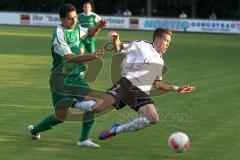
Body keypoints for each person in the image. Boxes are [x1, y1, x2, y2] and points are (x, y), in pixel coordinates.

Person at [74, 28, 196, 141]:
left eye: (169, 41)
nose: (168, 44)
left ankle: (115, 130)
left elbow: (157, 83)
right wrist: (116, 38)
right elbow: (120, 47)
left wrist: (177, 88)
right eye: (166, 40)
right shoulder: (142, 45)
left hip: (139, 92)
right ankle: (73, 102)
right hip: (127, 84)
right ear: (157, 40)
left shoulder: (160, 60)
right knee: (98, 107)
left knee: (152, 119)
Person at [27, 4, 106, 147]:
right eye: (70, 19)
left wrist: (98, 27)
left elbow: (89, 33)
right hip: (60, 80)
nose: (74, 21)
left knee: (96, 104)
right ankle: (35, 130)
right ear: (62, 19)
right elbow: (69, 58)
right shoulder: (58, 34)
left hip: (75, 78)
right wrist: (90, 56)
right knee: (60, 117)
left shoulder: (76, 28)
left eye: (75, 17)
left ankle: (83, 139)